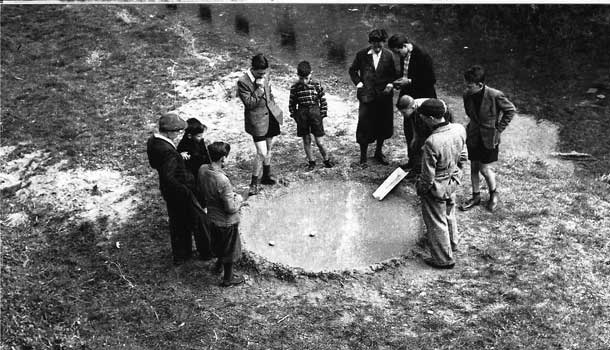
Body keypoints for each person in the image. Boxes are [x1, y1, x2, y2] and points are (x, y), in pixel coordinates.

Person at [146, 112, 212, 265]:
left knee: (178, 223)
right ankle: (207, 252)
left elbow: (156, 165)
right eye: (177, 131)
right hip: (180, 191)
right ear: (169, 131)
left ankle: (182, 255)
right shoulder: (168, 151)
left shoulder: (153, 141)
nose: (179, 134)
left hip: (169, 192)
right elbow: (170, 177)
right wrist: (186, 191)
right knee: (200, 219)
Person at [415, 99, 468, 269]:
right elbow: (464, 156)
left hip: (437, 185)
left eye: (423, 117)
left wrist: (421, 189)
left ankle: (443, 259)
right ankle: (453, 243)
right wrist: (457, 172)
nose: (422, 120)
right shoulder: (459, 129)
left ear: (431, 118)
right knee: (449, 212)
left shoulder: (432, 141)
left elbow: (428, 175)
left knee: (436, 222)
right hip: (453, 179)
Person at [459, 65, 516, 212]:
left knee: (484, 168)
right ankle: (476, 196)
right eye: (466, 84)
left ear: (480, 84)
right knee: (473, 167)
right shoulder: (467, 95)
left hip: (490, 137)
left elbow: (510, 110)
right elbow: (470, 114)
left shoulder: (495, 95)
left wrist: (499, 129)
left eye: (470, 86)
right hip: (473, 135)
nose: (467, 88)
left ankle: (493, 193)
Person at [348, 28, 399, 166]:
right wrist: (359, 84)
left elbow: (394, 74)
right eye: (374, 44)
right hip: (367, 97)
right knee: (364, 125)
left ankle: (378, 152)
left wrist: (390, 84)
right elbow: (352, 70)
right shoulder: (362, 55)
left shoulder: (389, 55)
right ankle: (363, 157)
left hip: (384, 98)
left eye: (380, 44)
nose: (377, 47)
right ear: (370, 43)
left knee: (382, 124)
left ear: (384, 43)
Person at [198, 142, 245, 287]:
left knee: (219, 244)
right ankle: (228, 279)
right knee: (230, 250)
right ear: (223, 158)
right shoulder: (223, 180)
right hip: (226, 221)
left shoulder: (202, 169)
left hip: (212, 216)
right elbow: (230, 208)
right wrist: (239, 200)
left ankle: (217, 266)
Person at [237, 53, 284, 196]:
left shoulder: (265, 75)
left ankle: (266, 175)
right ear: (253, 69)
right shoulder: (243, 81)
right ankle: (254, 183)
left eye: (265, 72)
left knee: (269, 148)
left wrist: (276, 109)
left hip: (270, 116)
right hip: (257, 121)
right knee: (261, 153)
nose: (263, 75)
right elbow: (249, 104)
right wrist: (258, 90)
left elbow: (270, 93)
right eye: (260, 73)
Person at [388, 34, 437, 170]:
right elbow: (408, 74)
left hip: (422, 100)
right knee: (409, 130)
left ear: (404, 46)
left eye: (398, 52)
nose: (398, 55)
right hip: (409, 98)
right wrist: (401, 82)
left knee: (423, 133)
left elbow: (431, 80)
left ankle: (423, 166)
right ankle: (412, 162)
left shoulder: (423, 56)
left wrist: (409, 81)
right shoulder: (405, 55)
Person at [288, 61, 334, 171]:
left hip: (315, 112)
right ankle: (311, 161)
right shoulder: (295, 87)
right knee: (306, 139)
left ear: (311, 74)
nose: (304, 81)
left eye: (306, 78)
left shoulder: (316, 85)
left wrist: (321, 115)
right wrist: (296, 117)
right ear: (298, 76)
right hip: (302, 113)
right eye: (301, 78)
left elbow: (323, 101)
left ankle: (326, 159)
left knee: (319, 141)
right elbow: (292, 104)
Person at [396, 95, 454, 179]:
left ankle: (423, 169)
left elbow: (432, 127)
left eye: (404, 113)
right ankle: (413, 163)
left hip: (440, 115)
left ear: (412, 107)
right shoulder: (412, 109)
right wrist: (415, 137)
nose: (403, 115)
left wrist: (424, 141)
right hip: (428, 117)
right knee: (416, 142)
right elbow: (414, 122)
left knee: (428, 144)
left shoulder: (423, 109)